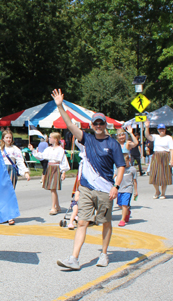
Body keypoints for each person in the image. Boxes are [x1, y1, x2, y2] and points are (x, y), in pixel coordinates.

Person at [52, 89, 125, 270]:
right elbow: (69, 125)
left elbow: (121, 166)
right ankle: (74, 258)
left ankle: (104, 254)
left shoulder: (113, 144)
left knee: (105, 222)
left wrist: (116, 186)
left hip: (105, 189)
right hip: (86, 188)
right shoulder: (88, 139)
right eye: (95, 123)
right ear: (92, 125)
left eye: (101, 123)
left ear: (105, 125)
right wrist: (60, 106)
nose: (98, 126)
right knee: (82, 222)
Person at [29, 132, 69, 215]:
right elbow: (42, 156)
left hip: (56, 168)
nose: (49, 139)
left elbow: (63, 161)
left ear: (55, 139)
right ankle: (57, 206)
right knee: (52, 188)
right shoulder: (48, 149)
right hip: (49, 167)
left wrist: (63, 172)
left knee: (53, 188)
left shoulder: (60, 149)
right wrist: (33, 150)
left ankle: (53, 207)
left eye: (50, 137)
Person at [0, 130, 30, 224]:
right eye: (7, 137)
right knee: (2, 194)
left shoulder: (15, 149)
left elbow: (20, 161)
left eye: (10, 137)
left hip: (11, 170)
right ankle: (3, 215)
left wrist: (25, 172)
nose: (8, 139)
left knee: (9, 193)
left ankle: (10, 216)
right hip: (1, 171)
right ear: (3, 138)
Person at [144, 121, 173, 199]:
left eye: (163, 129)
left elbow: (172, 149)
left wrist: (171, 160)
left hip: (165, 155)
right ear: (158, 130)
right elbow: (147, 136)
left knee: (165, 175)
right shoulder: (156, 136)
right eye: (160, 129)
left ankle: (163, 193)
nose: (161, 130)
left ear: (165, 129)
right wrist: (147, 127)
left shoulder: (169, 138)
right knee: (154, 174)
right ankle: (157, 191)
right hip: (156, 155)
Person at [117, 155, 138, 227]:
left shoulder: (132, 169)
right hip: (120, 188)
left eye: (125, 162)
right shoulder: (119, 168)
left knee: (124, 204)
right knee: (119, 205)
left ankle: (122, 220)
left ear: (129, 160)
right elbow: (114, 176)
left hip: (128, 188)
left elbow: (135, 181)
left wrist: (136, 191)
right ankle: (127, 212)